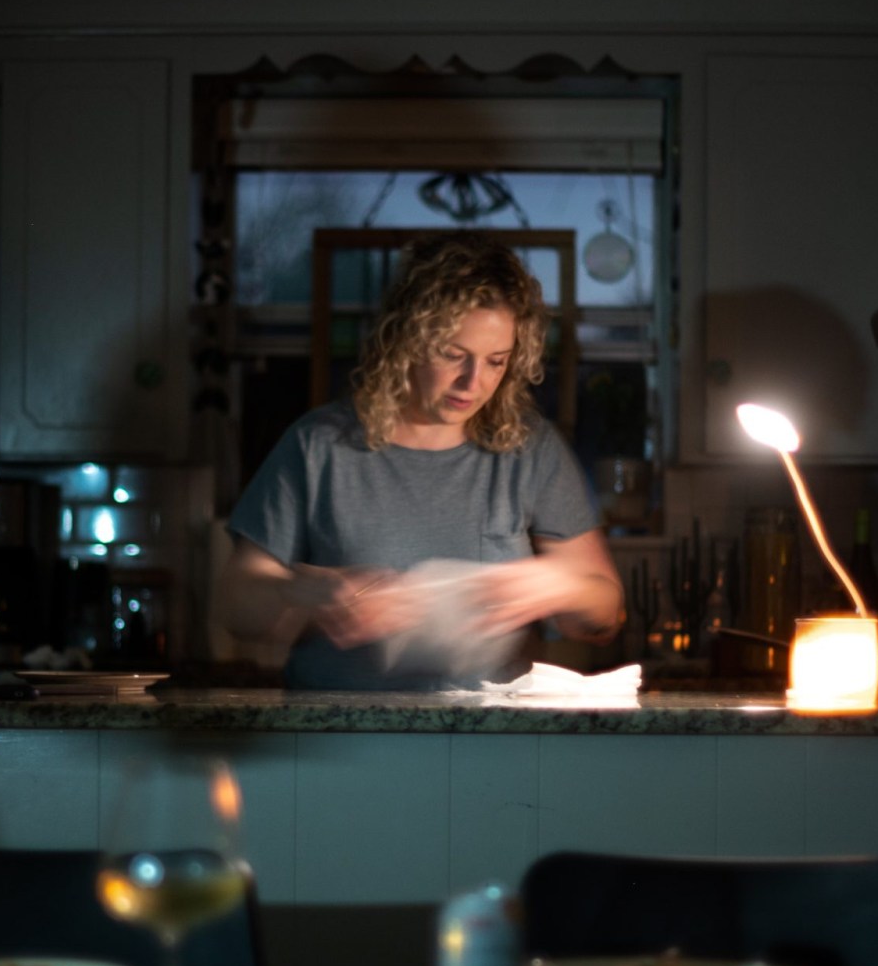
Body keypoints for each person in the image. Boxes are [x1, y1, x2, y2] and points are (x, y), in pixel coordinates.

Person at [221, 232, 624, 689]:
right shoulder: (320, 445)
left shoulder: (528, 448)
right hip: (337, 735)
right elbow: (237, 603)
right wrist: (302, 592)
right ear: (406, 339)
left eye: (496, 361)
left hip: (491, 740)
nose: (472, 382)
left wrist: (559, 585)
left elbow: (604, 614)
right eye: (453, 355)